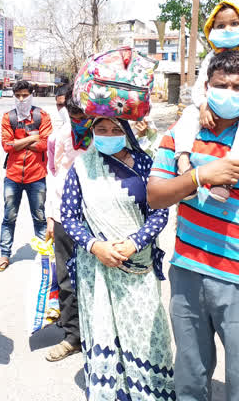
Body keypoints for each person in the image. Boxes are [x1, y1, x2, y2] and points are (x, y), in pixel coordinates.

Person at [148, 50, 239, 401]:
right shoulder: (182, 135)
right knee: (189, 376)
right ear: (206, 86)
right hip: (187, 274)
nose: (228, 92)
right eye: (220, 85)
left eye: (237, 86)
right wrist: (201, 176)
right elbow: (155, 195)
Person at [61, 116, 175, 400]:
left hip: (138, 263)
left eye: (116, 129)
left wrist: (135, 242)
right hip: (96, 265)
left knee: (148, 330)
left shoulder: (147, 165)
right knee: (104, 328)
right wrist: (94, 246)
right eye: (101, 129)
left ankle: (149, 391)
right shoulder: (81, 167)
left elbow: (159, 212)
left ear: (127, 132)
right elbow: (69, 217)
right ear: (92, 133)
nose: (109, 134)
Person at [171, 0, 239, 203]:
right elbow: (199, 87)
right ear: (211, 29)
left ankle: (228, 171)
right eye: (220, 26)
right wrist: (203, 105)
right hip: (212, 107)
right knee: (188, 115)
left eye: (234, 24)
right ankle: (183, 163)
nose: (227, 29)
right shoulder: (213, 56)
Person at [43, 84, 92, 362]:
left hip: (98, 219)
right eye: (73, 115)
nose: (79, 121)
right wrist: (51, 216)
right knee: (66, 278)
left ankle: (101, 333)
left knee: (98, 278)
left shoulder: (106, 135)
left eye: (84, 116)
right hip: (64, 217)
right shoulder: (57, 138)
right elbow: (52, 176)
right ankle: (72, 336)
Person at [0, 80, 53, 271]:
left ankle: (45, 254)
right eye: (18, 95)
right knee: (9, 217)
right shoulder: (8, 118)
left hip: (36, 175)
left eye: (25, 95)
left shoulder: (42, 116)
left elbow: (45, 144)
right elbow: (6, 146)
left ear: (31, 95)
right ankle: (4, 254)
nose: (21, 99)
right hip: (13, 176)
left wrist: (18, 141)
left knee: (39, 217)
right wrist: (31, 138)